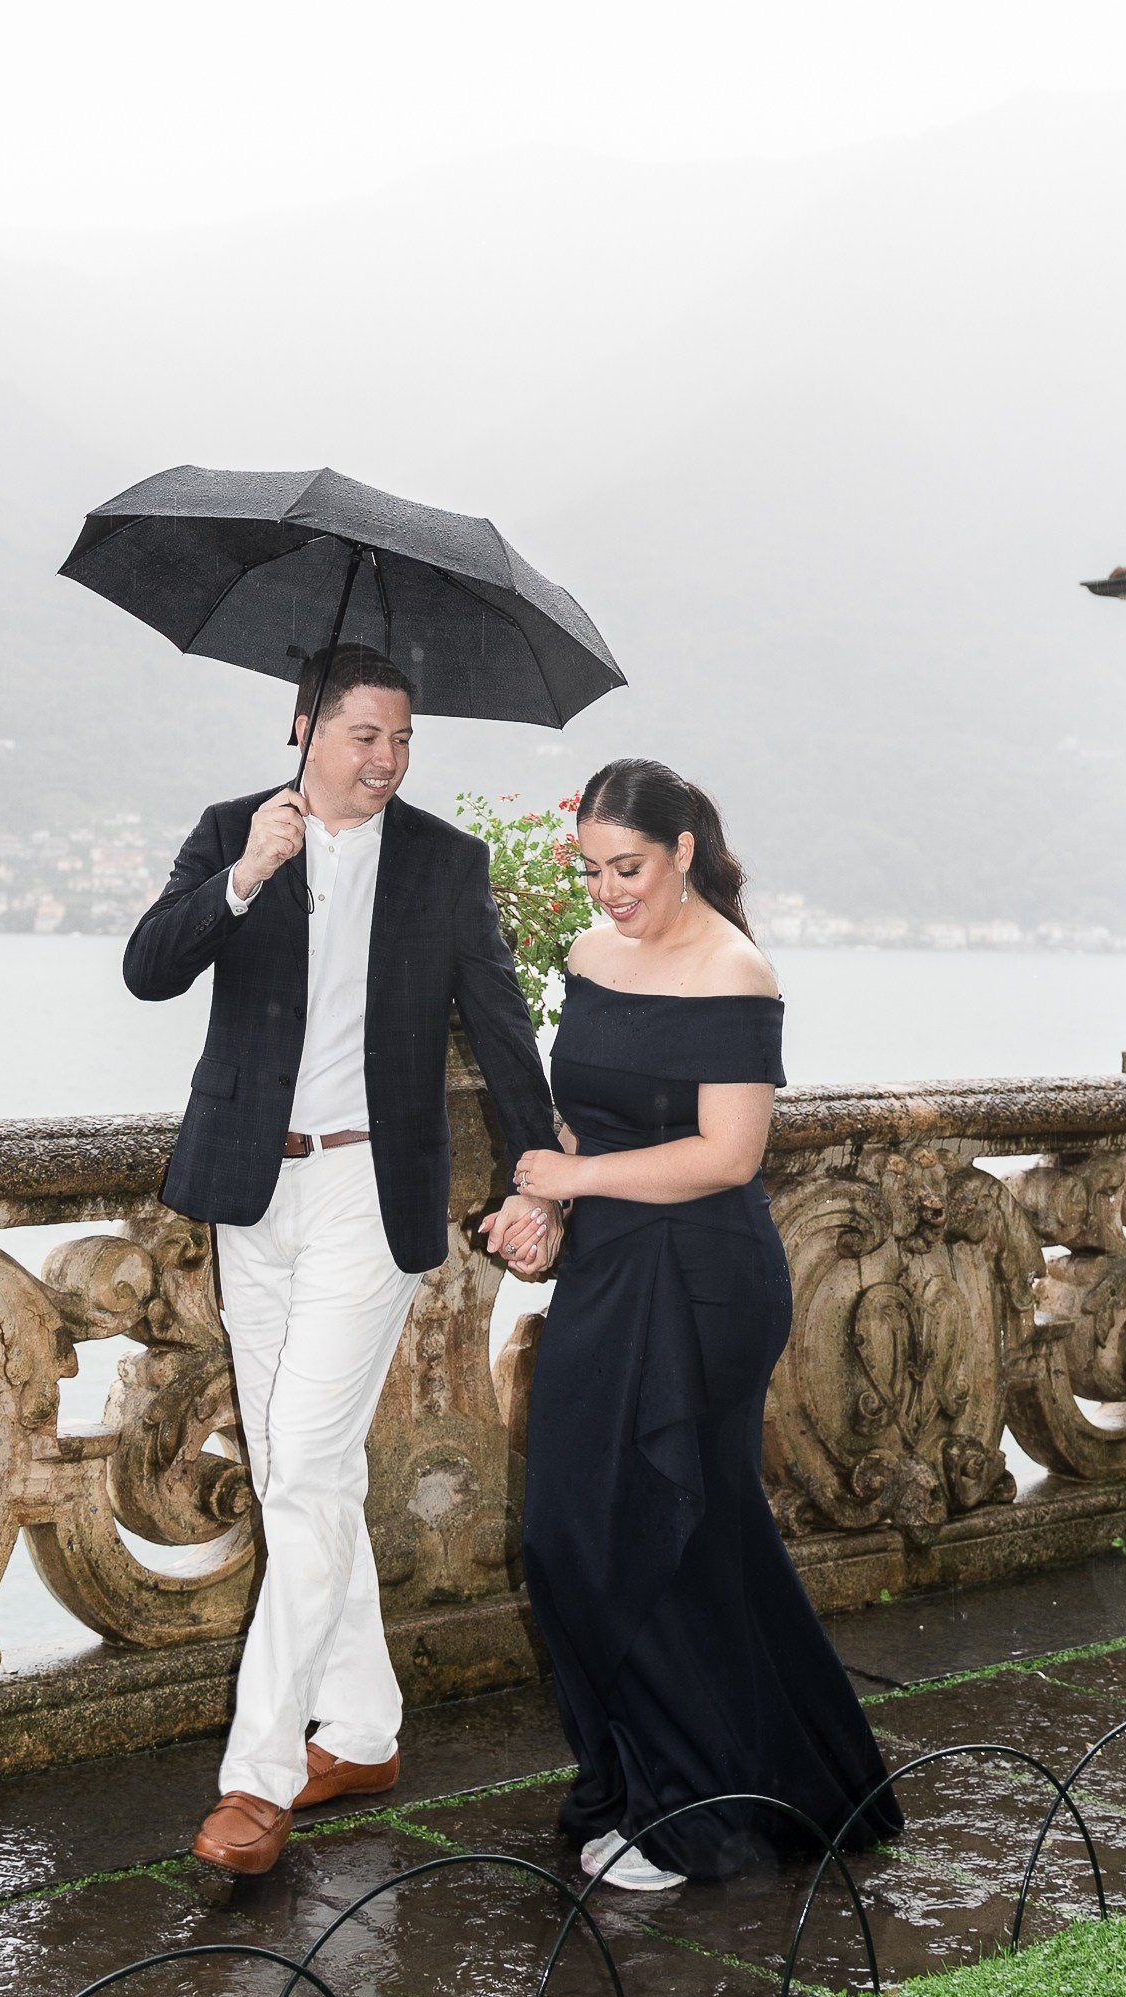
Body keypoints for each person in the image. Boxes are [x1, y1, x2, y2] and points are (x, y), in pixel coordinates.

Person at [124, 648, 559, 1883]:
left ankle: (257, 1777)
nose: (386, 759)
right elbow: (150, 967)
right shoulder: (228, 832)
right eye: (365, 734)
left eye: (402, 740)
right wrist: (248, 878)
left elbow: (503, 1026)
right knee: (293, 1475)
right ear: (304, 728)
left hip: (371, 1193)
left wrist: (537, 1178)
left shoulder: (443, 864)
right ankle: (361, 1730)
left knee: (308, 1465)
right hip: (249, 1191)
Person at [509, 756, 902, 1892]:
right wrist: (541, 1200)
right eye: (589, 871)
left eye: (625, 867)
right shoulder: (588, 955)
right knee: (569, 1532)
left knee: (668, 1530)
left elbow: (728, 1155)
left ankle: (687, 1812)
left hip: (703, 1277)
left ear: (682, 850)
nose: (606, 892)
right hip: (610, 1266)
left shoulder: (737, 972)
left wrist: (574, 1187)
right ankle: (680, 1777)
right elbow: (580, 1124)